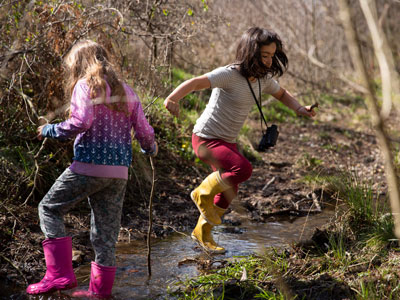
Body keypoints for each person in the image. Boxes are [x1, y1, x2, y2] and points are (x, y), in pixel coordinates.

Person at [164, 27, 317, 254]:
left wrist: (299, 108)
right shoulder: (228, 74)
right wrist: (172, 98)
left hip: (227, 141)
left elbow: (282, 94)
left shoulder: (263, 79)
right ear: (250, 52)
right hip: (206, 139)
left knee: (230, 192)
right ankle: (200, 192)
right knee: (243, 169)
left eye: (272, 55)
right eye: (264, 55)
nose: (269, 60)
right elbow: (196, 82)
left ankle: (202, 233)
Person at [26, 40, 158, 298]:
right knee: (106, 236)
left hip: (88, 167)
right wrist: (149, 148)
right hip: (119, 173)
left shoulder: (85, 86)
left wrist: (50, 130)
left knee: (49, 208)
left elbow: (81, 121)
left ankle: (58, 274)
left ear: (79, 64)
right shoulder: (127, 91)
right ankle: (99, 293)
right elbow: (143, 131)